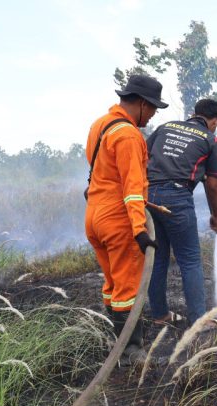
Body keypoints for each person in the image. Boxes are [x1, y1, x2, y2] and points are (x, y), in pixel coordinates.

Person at [84, 75, 167, 355]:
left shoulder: (101, 125)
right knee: (128, 287)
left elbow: (101, 170)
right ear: (142, 104)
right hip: (118, 220)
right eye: (153, 108)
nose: (153, 114)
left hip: (94, 216)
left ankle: (116, 340)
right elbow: (132, 189)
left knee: (111, 283)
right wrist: (140, 230)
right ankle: (131, 352)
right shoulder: (129, 135)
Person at [145, 98, 217, 328]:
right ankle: (198, 321)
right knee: (189, 260)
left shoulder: (165, 127)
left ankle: (160, 315)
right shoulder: (211, 139)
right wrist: (215, 216)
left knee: (158, 257)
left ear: (193, 113)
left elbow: (142, 158)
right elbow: (213, 185)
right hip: (177, 198)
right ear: (215, 121)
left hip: (147, 196)